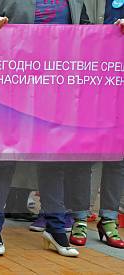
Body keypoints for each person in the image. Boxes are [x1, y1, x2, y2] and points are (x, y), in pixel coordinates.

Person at [0, 0, 92, 258]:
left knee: (52, 160)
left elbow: (88, 35)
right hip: (12, 86)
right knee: (4, 158)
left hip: (57, 88)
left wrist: (115, 31)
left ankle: (55, 228)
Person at [79, 0, 123, 249]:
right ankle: (79, 216)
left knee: (117, 156)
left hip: (120, 80)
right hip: (85, 80)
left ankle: (108, 218)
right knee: (85, 152)